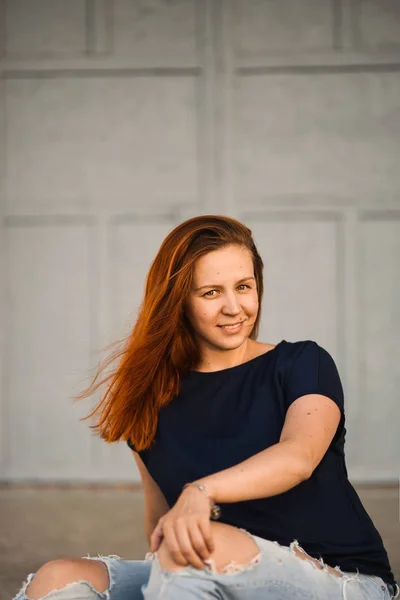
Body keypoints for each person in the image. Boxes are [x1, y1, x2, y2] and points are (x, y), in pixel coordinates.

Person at [14, 215, 398, 600]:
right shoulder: (152, 398)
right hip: (205, 570)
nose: (234, 307)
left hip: (339, 579)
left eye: (244, 287)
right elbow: (165, 524)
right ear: (178, 302)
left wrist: (202, 492)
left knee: (199, 549)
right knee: (58, 579)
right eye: (211, 293)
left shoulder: (302, 363)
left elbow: (299, 457)